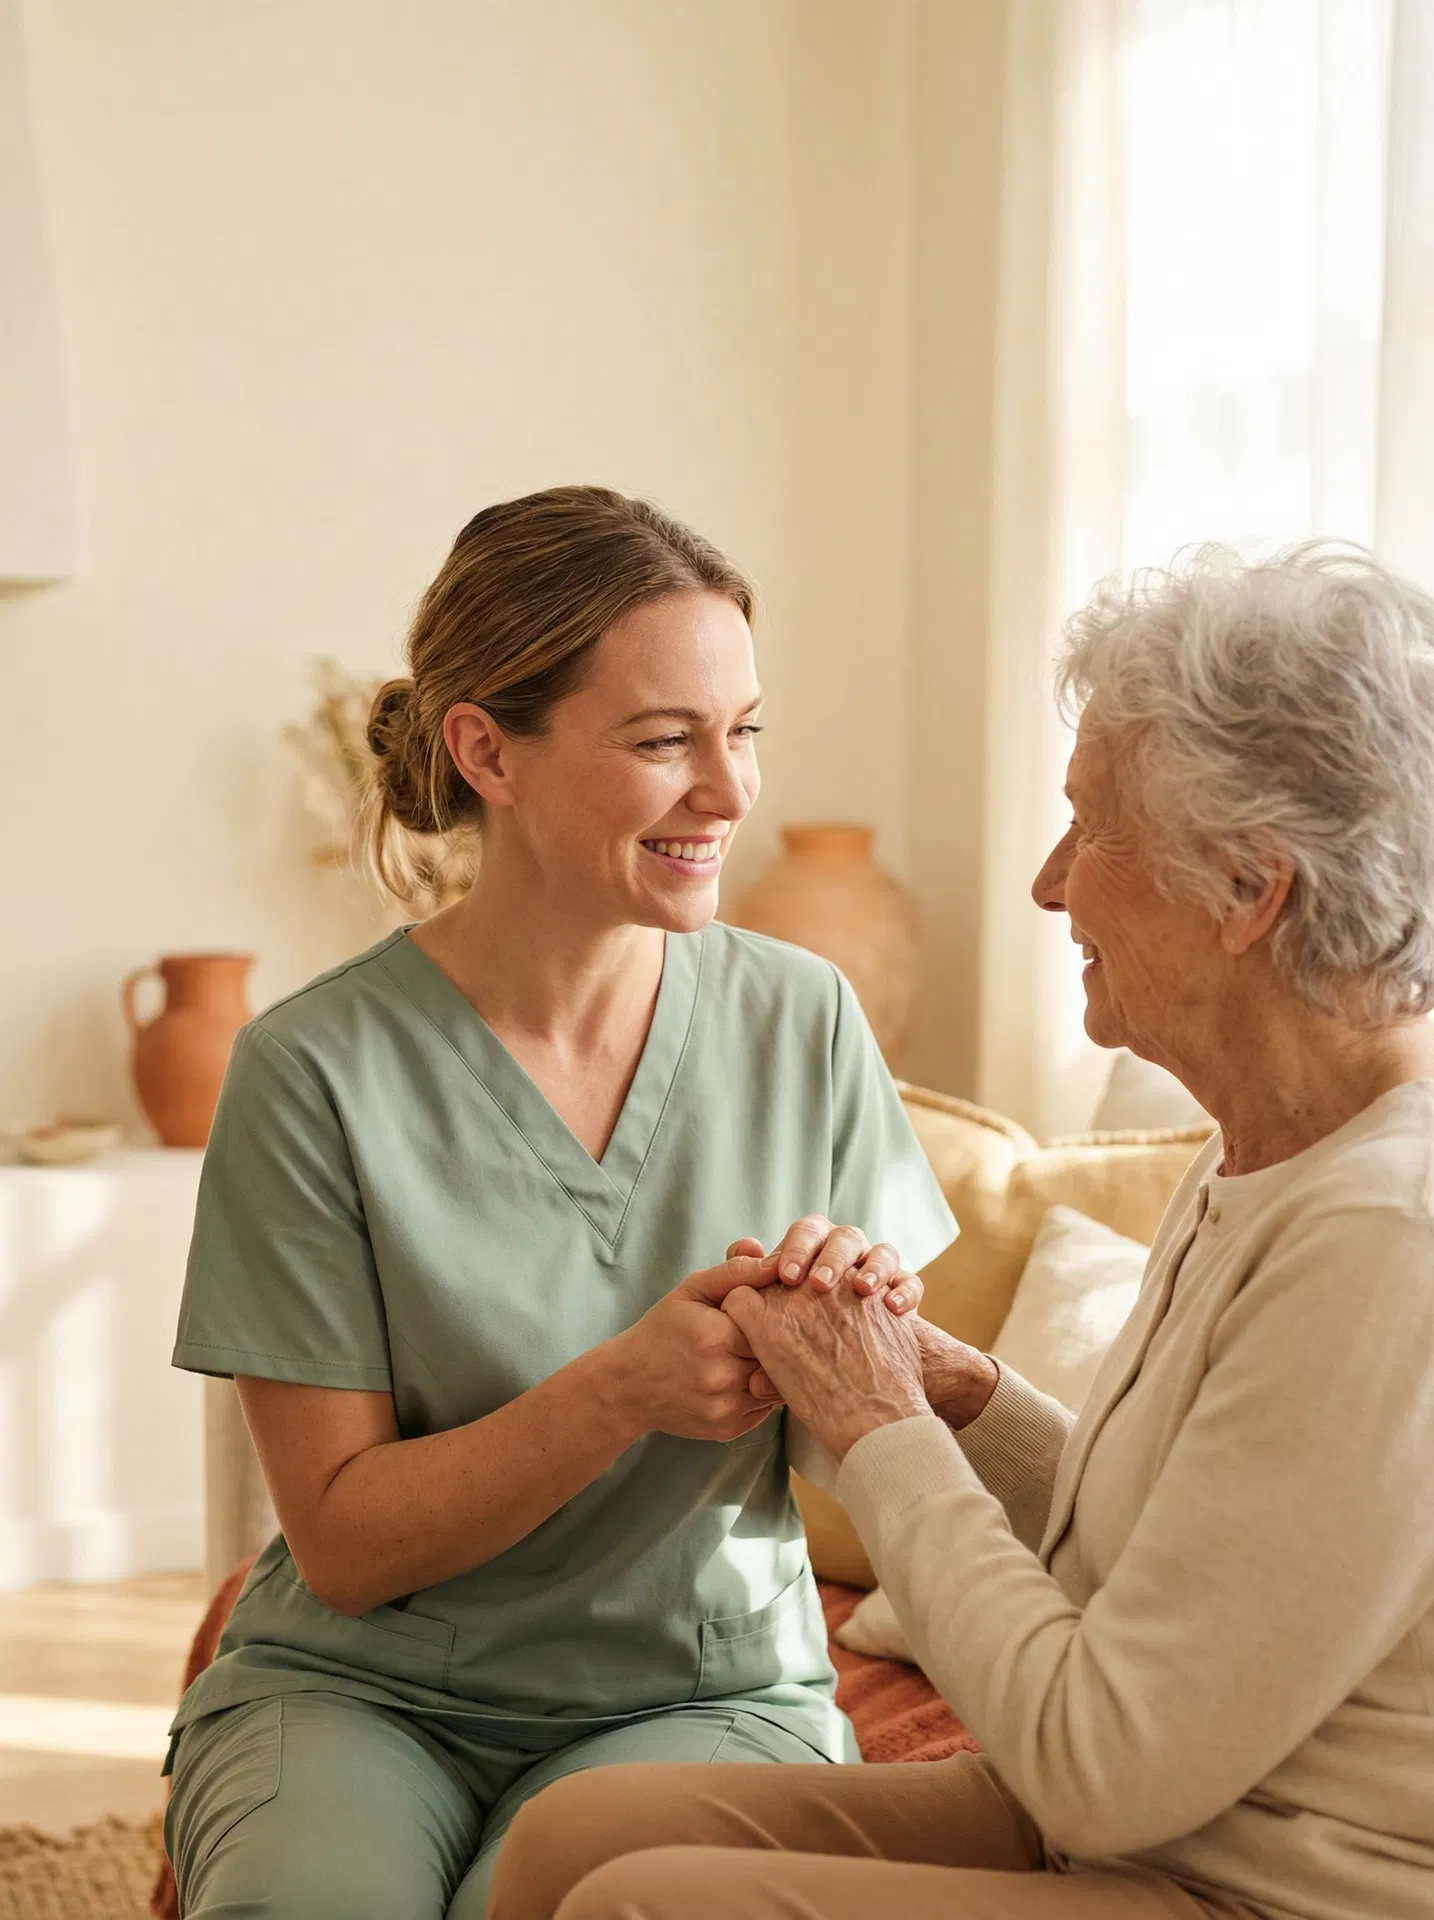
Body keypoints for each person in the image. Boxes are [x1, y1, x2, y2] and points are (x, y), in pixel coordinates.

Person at [491, 542, 1434, 1920]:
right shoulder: (1268, 1149)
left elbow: (1102, 1768)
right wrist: (956, 1393)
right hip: (1152, 1829)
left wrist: (876, 1426)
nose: (1050, 884)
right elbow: (1188, 1559)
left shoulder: (1386, 1237)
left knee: (639, 1907)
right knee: (574, 1838)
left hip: (1262, 1885)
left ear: (1250, 888)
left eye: (1090, 825)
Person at [163, 486, 956, 1918]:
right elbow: (340, 1543)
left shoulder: (805, 1020)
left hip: (701, 1690)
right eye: (662, 741)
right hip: (361, 1692)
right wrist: (619, 1391)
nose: (729, 791)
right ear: (487, 751)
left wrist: (851, 1343)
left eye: (743, 730)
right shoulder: (310, 1070)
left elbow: (873, 1452)